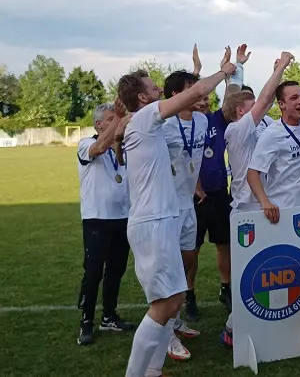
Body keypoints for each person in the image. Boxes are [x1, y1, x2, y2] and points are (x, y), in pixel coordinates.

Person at [117, 56, 236, 377]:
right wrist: (225, 71)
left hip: (164, 219)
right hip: (152, 223)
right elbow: (194, 91)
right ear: (142, 97)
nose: (158, 89)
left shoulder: (148, 122)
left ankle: (153, 370)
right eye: (152, 87)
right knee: (163, 304)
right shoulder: (144, 117)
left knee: (176, 297)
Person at [220, 53, 292, 346]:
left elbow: (270, 105)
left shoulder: (262, 125)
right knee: (248, 270)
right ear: (240, 111)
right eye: (251, 106)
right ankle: (233, 327)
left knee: (271, 267)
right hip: (247, 209)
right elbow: (264, 100)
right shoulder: (237, 129)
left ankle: (269, 320)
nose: (261, 109)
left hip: (268, 205)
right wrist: (281, 67)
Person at [189, 44, 249, 325]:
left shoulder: (216, 121)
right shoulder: (181, 125)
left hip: (219, 193)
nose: (202, 103)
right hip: (194, 197)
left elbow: (233, 101)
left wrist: (235, 68)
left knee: (224, 244)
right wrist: (196, 72)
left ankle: (226, 288)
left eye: (205, 100)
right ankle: (189, 294)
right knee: (192, 249)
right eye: (198, 99)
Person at [75, 102, 135, 346]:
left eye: (116, 118)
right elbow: (100, 147)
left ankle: (109, 316)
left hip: (123, 217)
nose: (116, 122)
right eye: (110, 119)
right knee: (93, 272)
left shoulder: (123, 148)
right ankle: (86, 320)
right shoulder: (85, 144)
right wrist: (120, 118)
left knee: (116, 270)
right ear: (98, 124)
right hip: (97, 218)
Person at [161, 71, 210, 361]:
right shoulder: (163, 124)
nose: (199, 93)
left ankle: (175, 318)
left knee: (188, 262)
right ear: (175, 96)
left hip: (188, 204)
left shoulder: (202, 121)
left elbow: (192, 160)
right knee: (169, 271)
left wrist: (197, 185)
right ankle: (164, 332)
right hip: (166, 209)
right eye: (192, 89)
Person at [247, 80, 300, 225]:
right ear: (281, 104)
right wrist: (265, 202)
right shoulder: (272, 134)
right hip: (280, 209)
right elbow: (252, 173)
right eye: (294, 98)